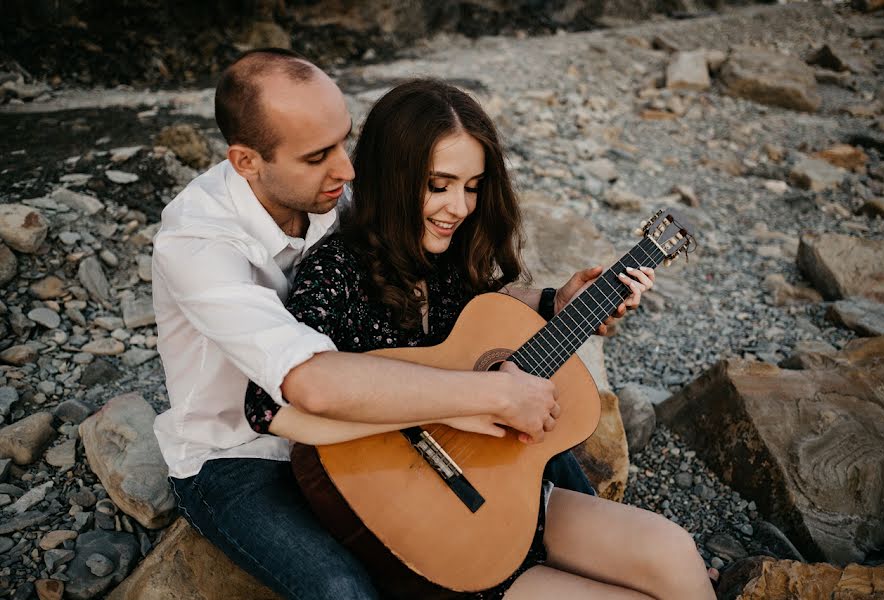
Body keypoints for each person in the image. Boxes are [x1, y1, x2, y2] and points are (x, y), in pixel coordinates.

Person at [152, 49, 652, 599]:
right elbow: (305, 385)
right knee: (342, 588)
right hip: (242, 453)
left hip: (370, 422)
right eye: (319, 154)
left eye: (344, 140)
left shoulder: (324, 187)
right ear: (247, 162)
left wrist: (553, 302)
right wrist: (483, 395)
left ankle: (625, 564)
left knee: (536, 441)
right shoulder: (197, 245)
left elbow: (439, 282)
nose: (345, 170)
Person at [244, 79, 715, 599]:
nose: (459, 207)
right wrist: (459, 405)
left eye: (472, 187)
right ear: (390, 176)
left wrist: (560, 303)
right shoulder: (338, 269)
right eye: (438, 185)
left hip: (509, 496)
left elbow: (484, 321)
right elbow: (266, 405)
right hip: (430, 530)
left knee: (674, 550)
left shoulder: (449, 256)